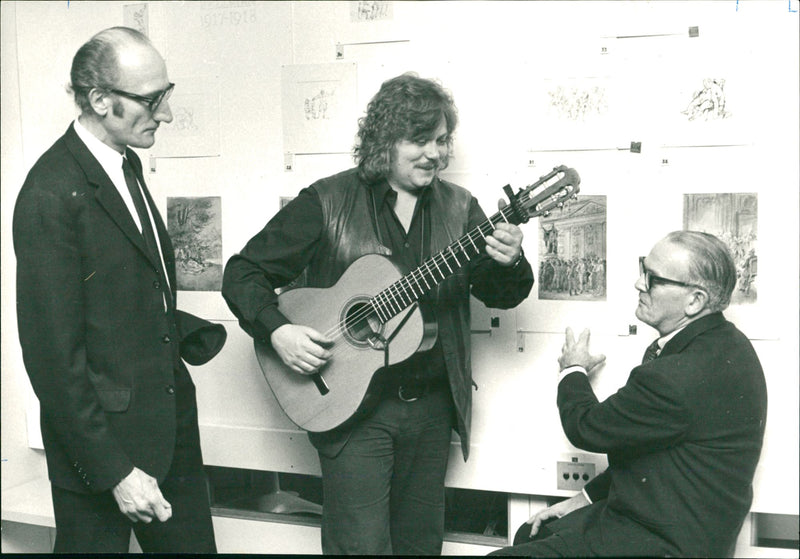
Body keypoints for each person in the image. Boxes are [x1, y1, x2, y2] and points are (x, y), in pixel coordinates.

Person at [222, 73, 534, 554]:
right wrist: (279, 331)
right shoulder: (327, 201)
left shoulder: (461, 209)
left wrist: (509, 260)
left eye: (442, 140)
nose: (435, 154)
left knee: (420, 548)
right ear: (384, 140)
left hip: (431, 410)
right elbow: (243, 273)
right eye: (420, 140)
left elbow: (501, 294)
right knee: (360, 550)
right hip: (353, 412)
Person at [13, 27, 226, 553]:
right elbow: (52, 360)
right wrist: (116, 472)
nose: (167, 114)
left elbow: (121, 295)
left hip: (168, 434)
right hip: (104, 461)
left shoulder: (125, 164)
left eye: (166, 95)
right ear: (100, 100)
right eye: (152, 101)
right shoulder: (49, 193)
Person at [492, 231, 767, 557]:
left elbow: (587, 427)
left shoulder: (677, 375)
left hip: (660, 542)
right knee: (530, 532)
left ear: (694, 301)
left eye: (653, 278)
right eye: (643, 269)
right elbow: (650, 455)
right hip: (673, 524)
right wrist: (582, 499)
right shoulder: (728, 344)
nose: (639, 284)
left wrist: (572, 369)